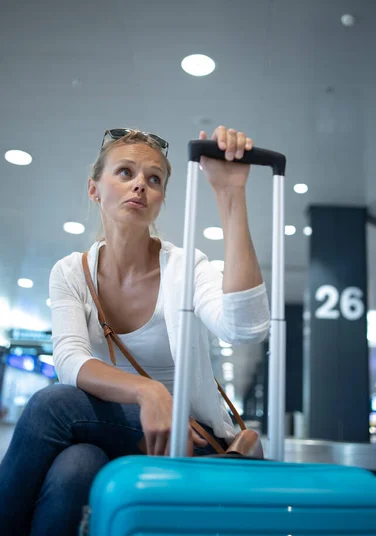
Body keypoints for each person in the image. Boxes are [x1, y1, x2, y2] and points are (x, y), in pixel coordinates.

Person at [0, 126, 270, 535]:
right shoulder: (71, 272)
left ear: (160, 199)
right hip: (109, 430)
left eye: (154, 178)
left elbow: (245, 327)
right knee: (77, 467)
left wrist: (231, 194)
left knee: (52, 405)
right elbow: (70, 359)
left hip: (188, 437)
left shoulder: (186, 267)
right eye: (125, 172)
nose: (140, 185)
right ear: (94, 189)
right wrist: (148, 392)